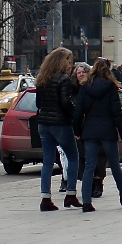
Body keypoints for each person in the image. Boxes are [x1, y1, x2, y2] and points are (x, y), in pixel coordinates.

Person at [73, 58, 122, 212]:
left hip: (90, 131)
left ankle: (86, 201)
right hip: (107, 131)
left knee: (89, 166)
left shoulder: (85, 87)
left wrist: (77, 131)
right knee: (114, 165)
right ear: (108, 70)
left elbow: (78, 112)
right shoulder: (111, 87)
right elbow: (116, 113)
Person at [33, 47, 80, 211]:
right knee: (73, 156)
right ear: (62, 61)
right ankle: (71, 194)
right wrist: (75, 113)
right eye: (69, 61)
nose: (70, 64)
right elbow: (65, 103)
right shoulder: (63, 79)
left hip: (43, 124)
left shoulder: (42, 79)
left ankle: (45, 198)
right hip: (60, 124)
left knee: (47, 161)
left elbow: (38, 104)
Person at [70, 63, 106, 199]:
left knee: (99, 157)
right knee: (84, 158)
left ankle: (98, 182)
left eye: (82, 72)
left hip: (95, 126)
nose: (80, 75)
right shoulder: (74, 90)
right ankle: (88, 183)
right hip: (81, 128)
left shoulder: (93, 87)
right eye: (78, 73)